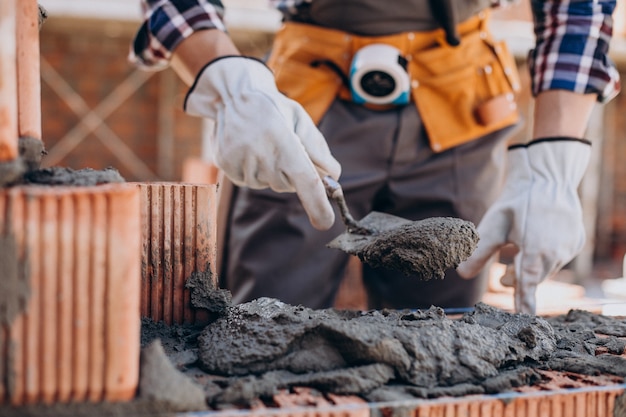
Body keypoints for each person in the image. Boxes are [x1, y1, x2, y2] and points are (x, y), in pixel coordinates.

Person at [130, 0, 621, 314]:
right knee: (264, 321)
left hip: (458, 107)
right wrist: (225, 77)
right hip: (307, 111)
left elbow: (575, 9)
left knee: (441, 335)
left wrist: (557, 157)